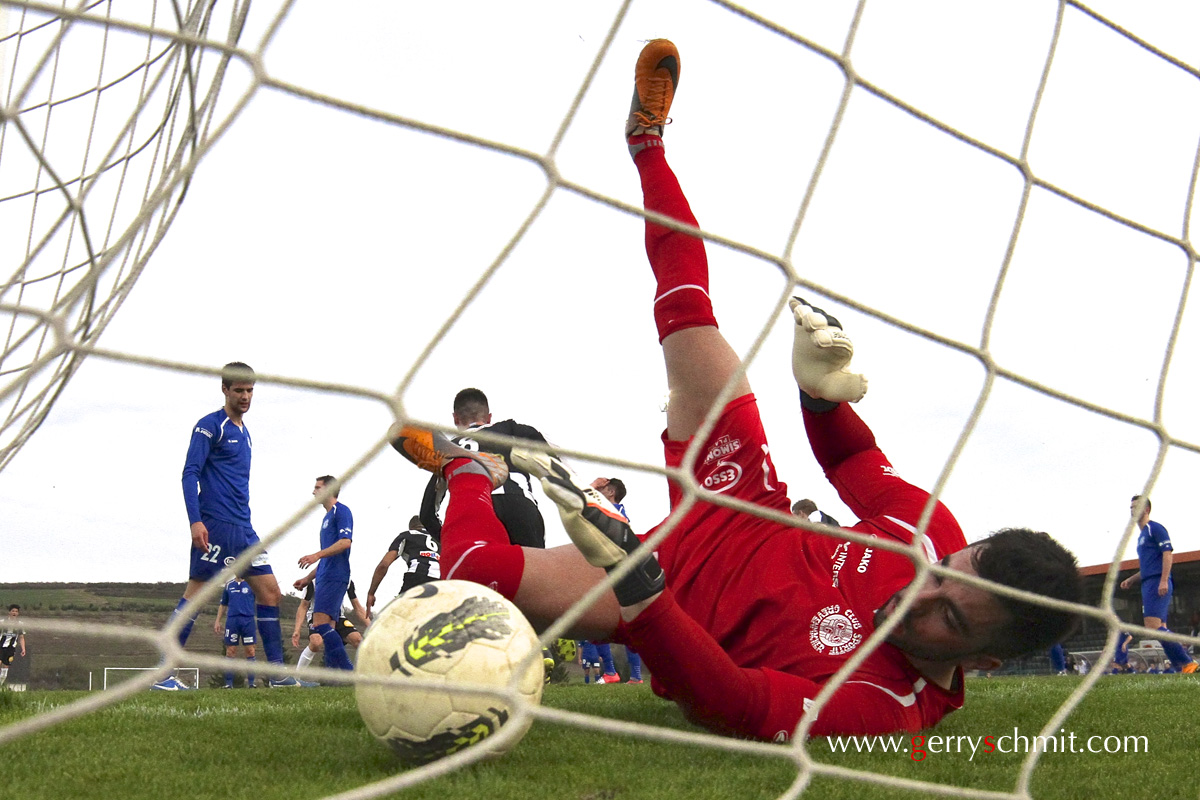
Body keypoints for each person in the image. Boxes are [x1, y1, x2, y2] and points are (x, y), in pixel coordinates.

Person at [386, 39, 1082, 740]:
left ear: (983, 660)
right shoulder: (927, 538)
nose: (917, 593)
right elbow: (852, 468)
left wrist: (640, 590)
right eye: (941, 575)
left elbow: (734, 705)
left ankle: (470, 465)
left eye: (948, 615)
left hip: (666, 592)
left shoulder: (885, 707)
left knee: (478, 569)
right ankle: (647, 143)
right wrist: (820, 403)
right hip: (741, 496)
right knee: (688, 308)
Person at [161, 362, 297, 690]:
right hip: (217, 526)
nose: (245, 396)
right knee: (195, 596)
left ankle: (277, 675)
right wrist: (196, 521)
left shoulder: (245, 433)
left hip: (244, 529)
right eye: (239, 390)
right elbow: (189, 473)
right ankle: (161, 673)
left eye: (250, 391)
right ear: (225, 390)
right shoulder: (211, 426)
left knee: (270, 593)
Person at [416, 388, 551, 548]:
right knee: (534, 570)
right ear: (489, 418)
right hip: (520, 506)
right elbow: (554, 455)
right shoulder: (510, 429)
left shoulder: (448, 449)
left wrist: (446, 539)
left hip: (474, 510)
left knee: (483, 571)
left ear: (455, 419)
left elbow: (427, 512)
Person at [1119, 496, 1198, 673]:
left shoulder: (1154, 528)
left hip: (1156, 582)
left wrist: (1163, 580)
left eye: (1136, 506)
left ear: (1146, 509)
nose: (1132, 510)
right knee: (1160, 629)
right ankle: (1182, 665)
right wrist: (1132, 579)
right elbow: (1148, 566)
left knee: (1153, 627)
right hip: (1149, 581)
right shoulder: (1142, 535)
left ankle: (1187, 662)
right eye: (1130, 507)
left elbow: (1167, 554)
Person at [295, 476, 355, 671]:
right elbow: (327, 558)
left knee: (320, 626)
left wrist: (316, 555)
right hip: (326, 575)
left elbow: (346, 542)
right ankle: (334, 678)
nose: (313, 492)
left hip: (335, 575)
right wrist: (307, 578)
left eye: (317, 488)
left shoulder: (341, 511)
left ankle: (349, 672)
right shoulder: (326, 517)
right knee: (327, 628)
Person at [592, 477, 643, 684]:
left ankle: (633, 675)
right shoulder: (606, 510)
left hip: (617, 571)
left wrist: (591, 487)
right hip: (604, 568)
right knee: (596, 621)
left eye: (603, 489)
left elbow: (580, 501)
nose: (599, 492)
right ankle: (613, 673)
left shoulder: (615, 510)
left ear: (611, 491)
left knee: (620, 621)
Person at [366, 515, 440, 617]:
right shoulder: (441, 538)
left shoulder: (407, 535)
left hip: (417, 577)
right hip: (441, 582)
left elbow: (384, 565)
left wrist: (371, 593)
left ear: (412, 527)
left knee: (399, 619)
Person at [292, 580, 367, 671]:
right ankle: (297, 676)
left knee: (358, 640)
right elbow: (303, 606)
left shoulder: (347, 580)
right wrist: (297, 630)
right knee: (316, 642)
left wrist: (372, 626)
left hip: (338, 616)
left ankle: (366, 675)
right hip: (317, 616)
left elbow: (357, 607)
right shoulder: (313, 582)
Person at [214, 577, 257, 688]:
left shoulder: (252, 583)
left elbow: (261, 600)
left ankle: (251, 683)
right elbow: (223, 604)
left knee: (250, 651)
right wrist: (217, 621)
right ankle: (229, 684)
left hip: (248, 621)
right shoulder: (229, 585)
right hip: (232, 621)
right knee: (230, 651)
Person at [0, 605, 26, 687]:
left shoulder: (20, 624)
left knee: (5, 667)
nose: (14, 613)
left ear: (18, 613)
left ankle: (0, 685)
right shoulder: (2, 622)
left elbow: (21, 637)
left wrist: (23, 649)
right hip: (1, 646)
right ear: (9, 612)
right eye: (13, 611)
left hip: (11, 648)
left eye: (16, 611)